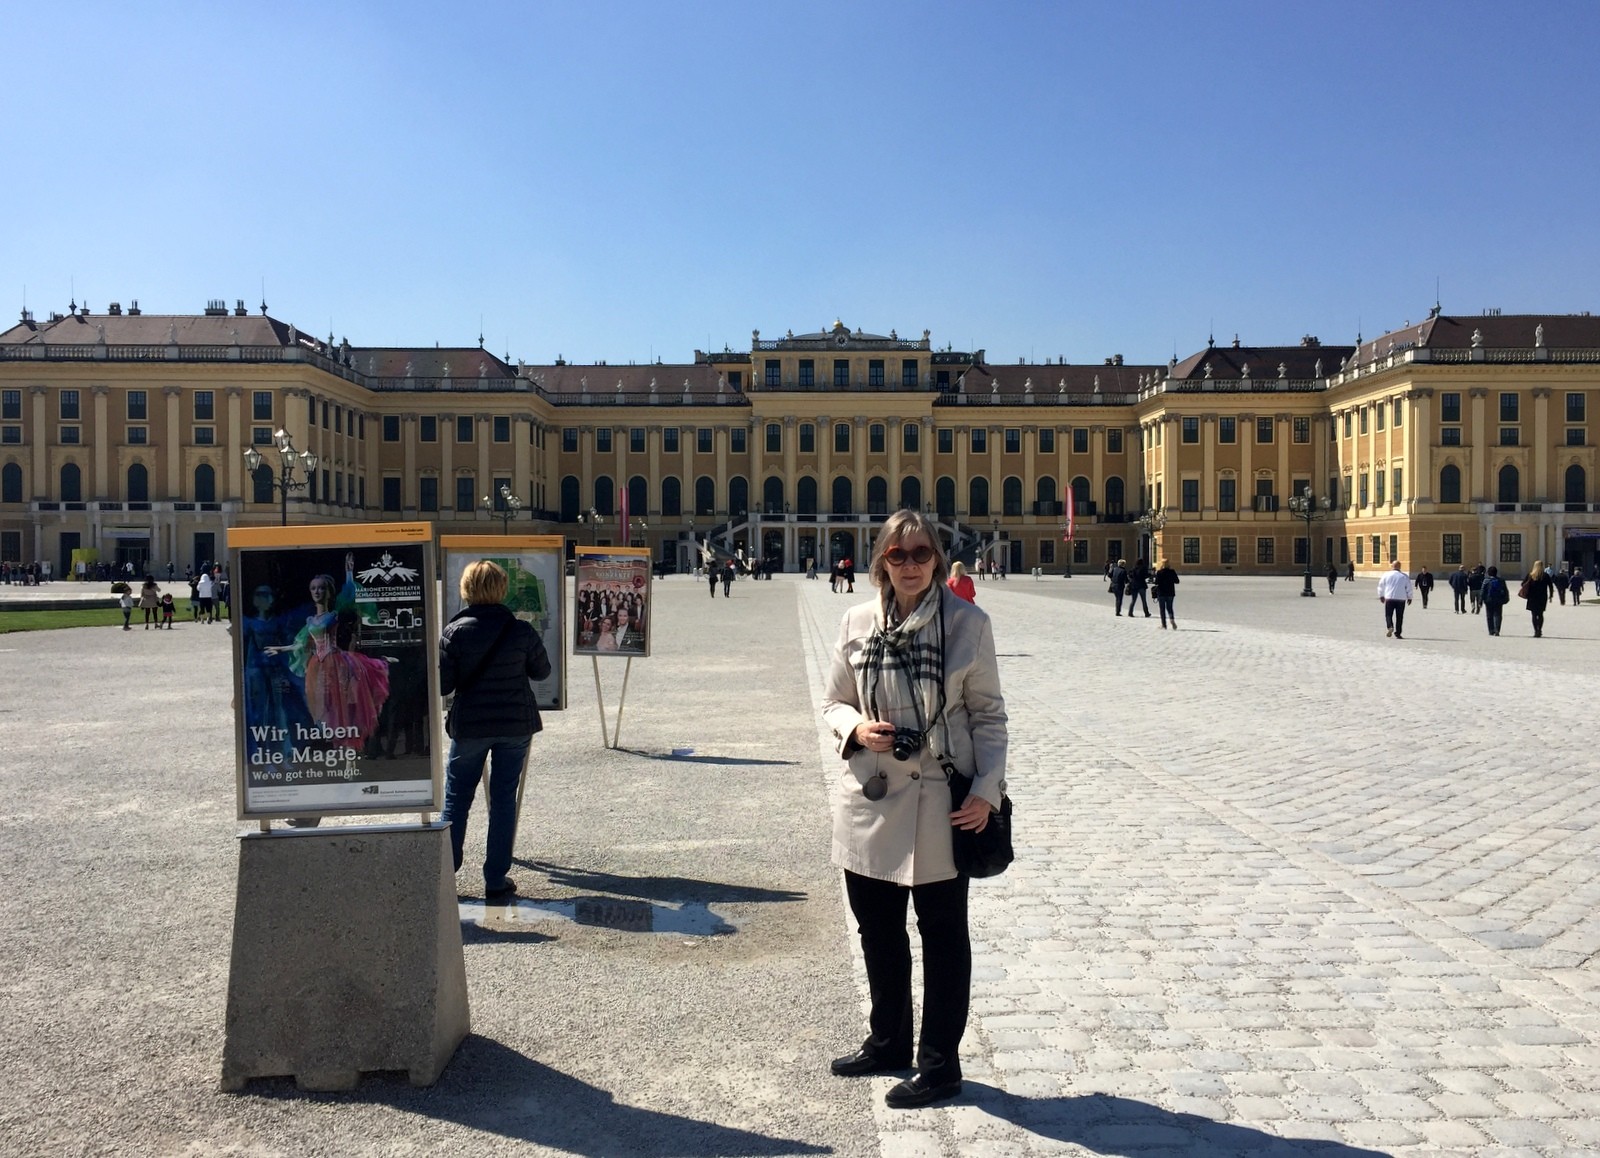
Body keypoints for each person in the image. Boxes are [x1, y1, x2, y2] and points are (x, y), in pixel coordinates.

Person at [821, 509, 1007, 1111]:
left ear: (936, 556)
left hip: (939, 803)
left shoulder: (967, 623)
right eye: (897, 556)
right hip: (870, 795)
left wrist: (987, 792)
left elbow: (988, 717)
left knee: (943, 936)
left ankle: (939, 1066)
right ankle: (887, 1041)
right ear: (881, 560)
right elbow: (833, 702)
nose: (910, 565)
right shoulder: (856, 620)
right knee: (876, 930)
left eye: (921, 553)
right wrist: (856, 727)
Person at [438, 560, 552, 899]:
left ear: (467, 589)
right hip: (514, 724)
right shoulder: (520, 630)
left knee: (456, 800)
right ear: (502, 589)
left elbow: (444, 685)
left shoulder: (453, 632)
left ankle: (447, 872)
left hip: (471, 725)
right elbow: (542, 672)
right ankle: (495, 878)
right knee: (504, 800)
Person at [1376, 559, 1414, 639]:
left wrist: (1381, 596)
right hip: (1401, 598)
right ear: (1400, 567)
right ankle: (1398, 633)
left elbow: (1381, 586)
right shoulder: (1404, 576)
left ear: (1392, 566)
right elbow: (1409, 588)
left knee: (1388, 614)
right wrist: (1409, 597)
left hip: (1389, 597)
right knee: (1399, 616)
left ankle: (1390, 626)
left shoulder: (1386, 575)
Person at [1521, 560, 1554, 638]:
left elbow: (1523, 584)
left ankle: (1536, 630)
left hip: (1532, 597)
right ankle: (1540, 630)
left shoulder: (1530, 575)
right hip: (1542, 597)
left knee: (1534, 614)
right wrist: (1551, 595)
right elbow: (1551, 586)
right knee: (1540, 614)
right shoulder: (1545, 575)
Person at [1482, 565, 1510, 636]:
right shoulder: (1501, 580)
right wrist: (1506, 598)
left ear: (1488, 573)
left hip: (1488, 600)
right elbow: (1505, 590)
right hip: (1498, 600)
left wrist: (1481, 600)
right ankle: (1497, 630)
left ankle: (1491, 630)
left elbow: (1483, 590)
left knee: (1489, 616)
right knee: (1498, 615)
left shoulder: (1486, 580)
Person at [1153, 557, 1180, 628]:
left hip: (1161, 593)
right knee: (1170, 607)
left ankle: (1163, 624)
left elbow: (1156, 582)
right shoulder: (1172, 571)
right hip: (1170, 592)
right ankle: (1171, 619)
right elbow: (1177, 581)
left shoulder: (1159, 572)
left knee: (1162, 609)